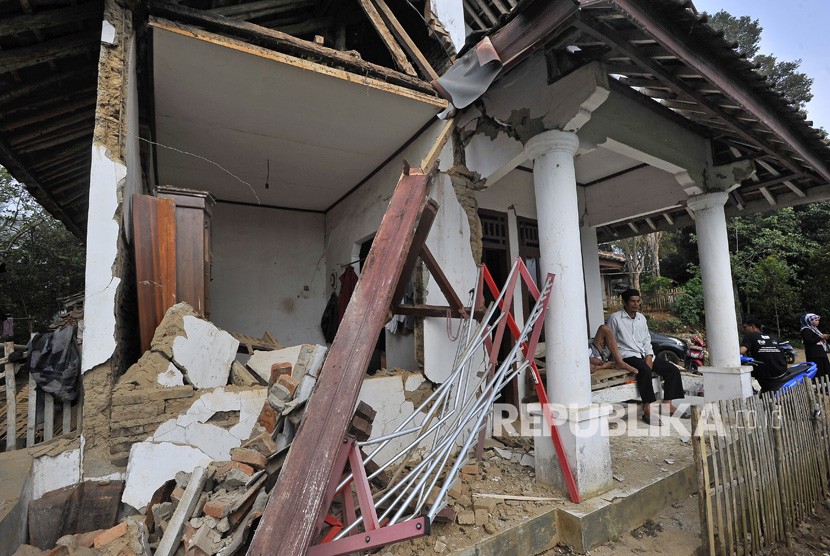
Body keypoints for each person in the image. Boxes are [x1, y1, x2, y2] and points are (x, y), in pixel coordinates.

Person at [606, 289, 686, 425]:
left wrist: (649, 355)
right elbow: (609, 339)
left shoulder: (641, 318)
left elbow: (646, 339)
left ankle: (667, 405)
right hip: (627, 354)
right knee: (644, 370)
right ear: (625, 302)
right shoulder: (615, 318)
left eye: (638, 301)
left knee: (672, 370)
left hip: (644, 353)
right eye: (632, 301)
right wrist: (616, 358)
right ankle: (648, 410)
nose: (636, 304)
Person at [740, 317, 788, 393]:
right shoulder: (772, 337)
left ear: (752, 327)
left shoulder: (749, 336)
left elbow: (741, 351)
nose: (744, 329)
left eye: (745, 327)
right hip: (781, 370)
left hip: (765, 373)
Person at [799, 313, 830, 378]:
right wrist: (821, 337)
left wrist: (825, 337)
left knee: (826, 371)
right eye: (815, 320)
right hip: (814, 355)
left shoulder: (815, 330)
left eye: (818, 320)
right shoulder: (805, 330)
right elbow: (809, 341)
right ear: (809, 321)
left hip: (820, 354)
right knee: (819, 372)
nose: (817, 321)